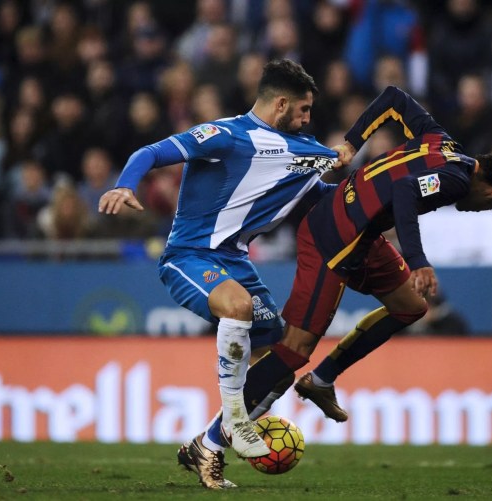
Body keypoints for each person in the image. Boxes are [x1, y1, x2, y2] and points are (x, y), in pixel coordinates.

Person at [178, 85, 492, 477]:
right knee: (293, 350)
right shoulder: (458, 179)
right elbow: (407, 190)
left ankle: (322, 379)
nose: (482, 209)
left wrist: (352, 143)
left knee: (410, 306)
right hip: (336, 237)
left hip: (359, 230)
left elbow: (394, 98)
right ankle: (206, 445)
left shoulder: (442, 142)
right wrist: (418, 261)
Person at [98, 59, 341, 489]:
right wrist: (125, 184)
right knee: (239, 305)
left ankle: (207, 446)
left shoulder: (294, 151)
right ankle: (234, 420)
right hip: (188, 257)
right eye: (303, 110)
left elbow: (317, 195)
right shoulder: (226, 134)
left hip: (235, 261)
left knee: (282, 363)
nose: (308, 119)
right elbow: (151, 152)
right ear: (281, 104)